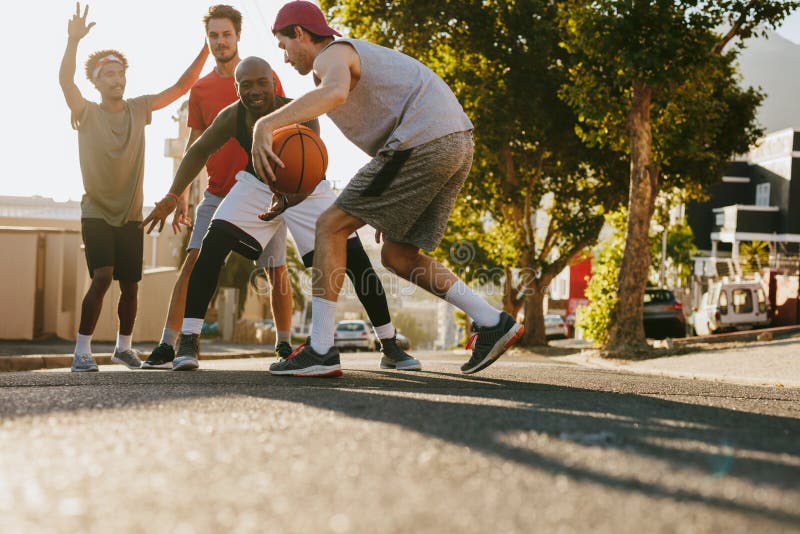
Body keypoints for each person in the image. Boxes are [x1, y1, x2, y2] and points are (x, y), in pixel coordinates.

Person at [252, 1, 524, 376]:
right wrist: (388, 202)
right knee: (398, 255)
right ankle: (493, 321)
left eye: (284, 46)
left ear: (300, 32)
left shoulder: (332, 54)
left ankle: (320, 348)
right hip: (455, 143)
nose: (284, 58)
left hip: (421, 140)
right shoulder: (349, 57)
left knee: (329, 226)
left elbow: (333, 93)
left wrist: (264, 125)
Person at [142, 56, 420, 374]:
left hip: (306, 187)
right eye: (246, 85)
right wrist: (172, 194)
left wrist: (289, 199)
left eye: (262, 82)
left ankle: (390, 344)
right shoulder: (233, 116)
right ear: (237, 89)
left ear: (274, 83)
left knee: (355, 257)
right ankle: (189, 340)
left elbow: (313, 166)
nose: (255, 90)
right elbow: (198, 151)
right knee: (212, 244)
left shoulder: (300, 111)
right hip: (256, 183)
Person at [142, 4, 294, 370]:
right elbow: (196, 145)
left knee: (276, 268)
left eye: (226, 34)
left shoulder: (262, 77)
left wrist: (286, 188)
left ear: (238, 35)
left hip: (262, 191)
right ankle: (171, 343)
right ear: (206, 39)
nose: (220, 41)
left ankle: (285, 345)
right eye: (213, 35)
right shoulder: (202, 90)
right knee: (194, 261)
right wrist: (180, 195)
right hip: (217, 190)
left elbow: (285, 128)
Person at [58, 2, 209, 372]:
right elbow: (65, 81)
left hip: (129, 215)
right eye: (108, 74)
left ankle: (124, 348)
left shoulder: (139, 109)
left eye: (120, 72)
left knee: (131, 285)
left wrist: (207, 46)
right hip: (96, 210)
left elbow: (180, 87)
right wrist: (72, 41)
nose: (116, 78)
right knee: (103, 276)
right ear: (96, 80)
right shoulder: (86, 112)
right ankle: (82, 350)